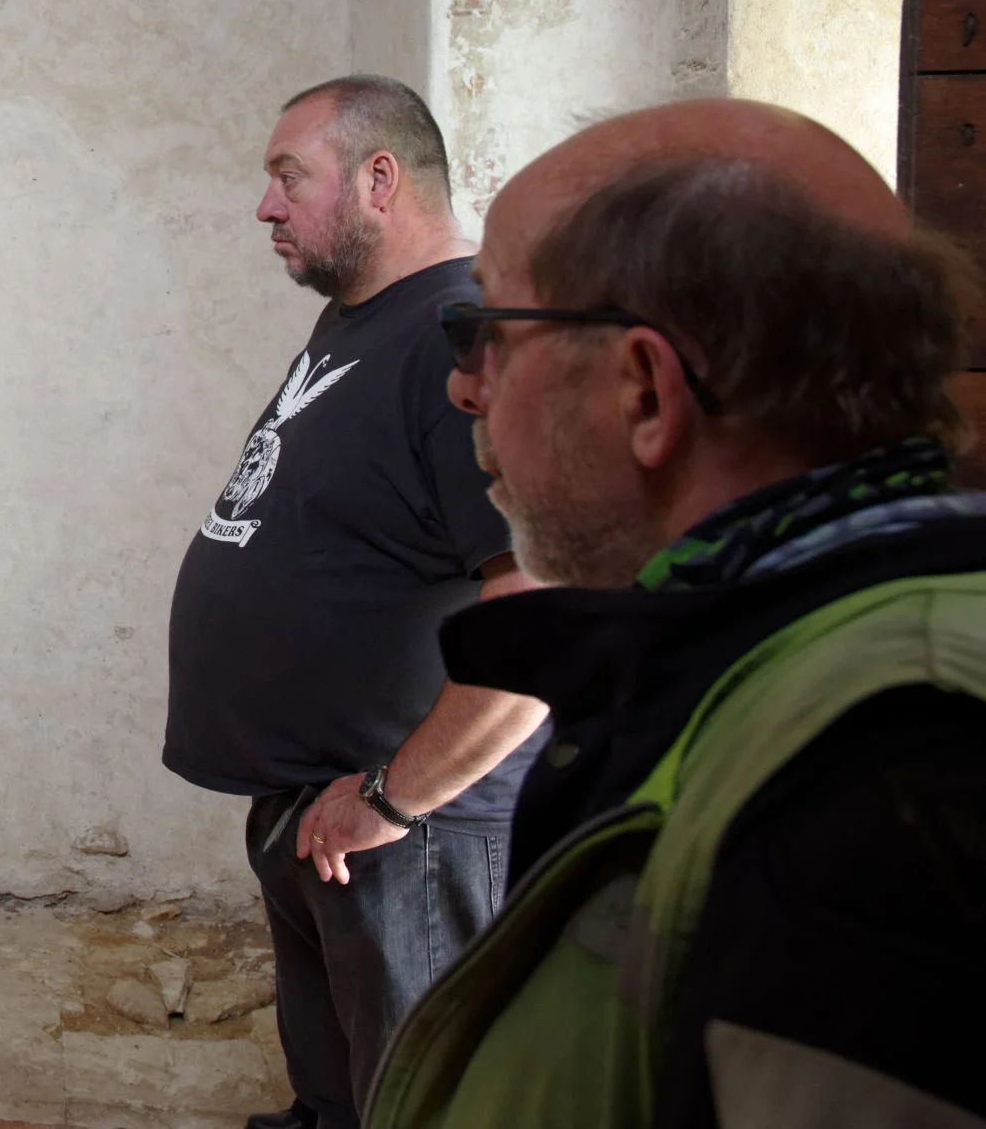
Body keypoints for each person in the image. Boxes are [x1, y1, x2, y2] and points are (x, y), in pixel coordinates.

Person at [369, 101, 986, 1129]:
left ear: (646, 391)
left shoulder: (892, 767)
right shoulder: (765, 659)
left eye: (488, 334)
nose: (462, 387)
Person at [163, 78, 549, 1129]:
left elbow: (537, 604)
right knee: (339, 1089)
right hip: (324, 806)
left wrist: (391, 797)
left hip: (407, 831)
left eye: (287, 176)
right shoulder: (364, 323)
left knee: (418, 1100)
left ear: (379, 179)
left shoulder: (456, 338)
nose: (265, 205)